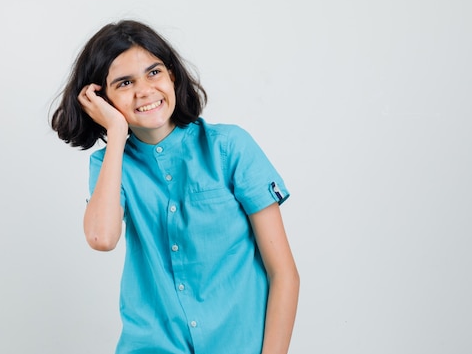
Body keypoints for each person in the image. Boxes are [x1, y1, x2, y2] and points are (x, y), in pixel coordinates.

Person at [51, 20, 299, 354]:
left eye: (153, 73)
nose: (144, 91)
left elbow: (283, 273)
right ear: (101, 97)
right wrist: (116, 135)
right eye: (124, 83)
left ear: (172, 75)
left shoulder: (229, 148)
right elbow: (102, 238)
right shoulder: (110, 165)